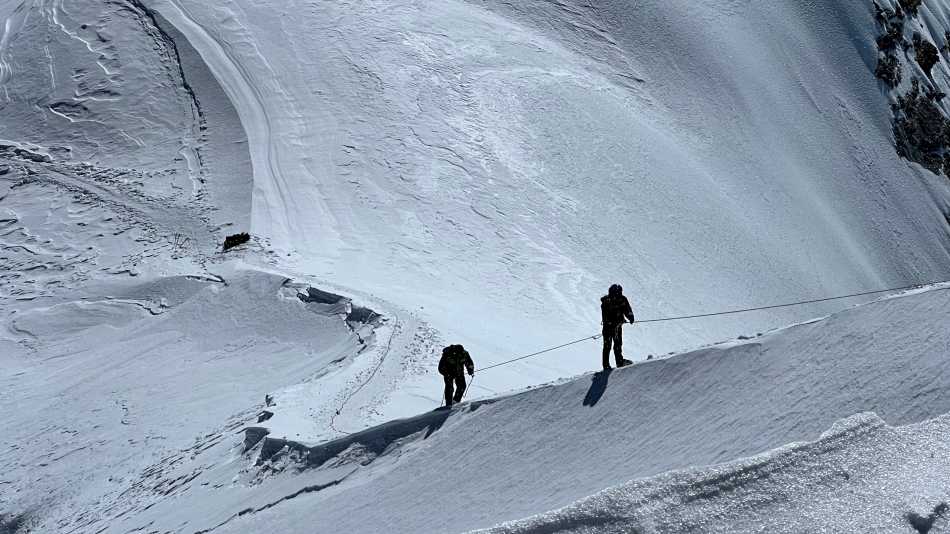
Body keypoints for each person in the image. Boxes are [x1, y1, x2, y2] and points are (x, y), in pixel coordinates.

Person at [601, 284, 635, 370]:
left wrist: (630, 316)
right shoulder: (606, 301)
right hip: (608, 328)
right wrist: (613, 322)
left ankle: (619, 362)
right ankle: (606, 365)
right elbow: (605, 316)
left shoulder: (622, 299)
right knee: (608, 346)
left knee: (617, 344)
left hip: (617, 327)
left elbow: (627, 309)